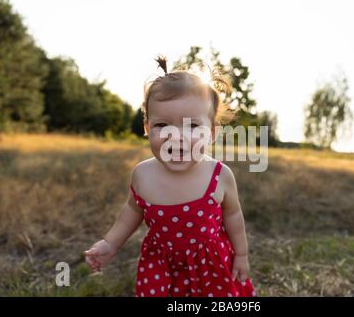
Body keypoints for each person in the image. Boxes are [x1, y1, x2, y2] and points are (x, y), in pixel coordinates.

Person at [84, 55, 257, 297]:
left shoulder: (219, 175)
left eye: (193, 126)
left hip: (210, 266)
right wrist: (110, 243)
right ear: (147, 128)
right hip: (160, 265)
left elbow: (233, 214)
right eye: (162, 125)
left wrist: (241, 255)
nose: (176, 136)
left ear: (212, 133)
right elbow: (132, 211)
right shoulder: (143, 175)